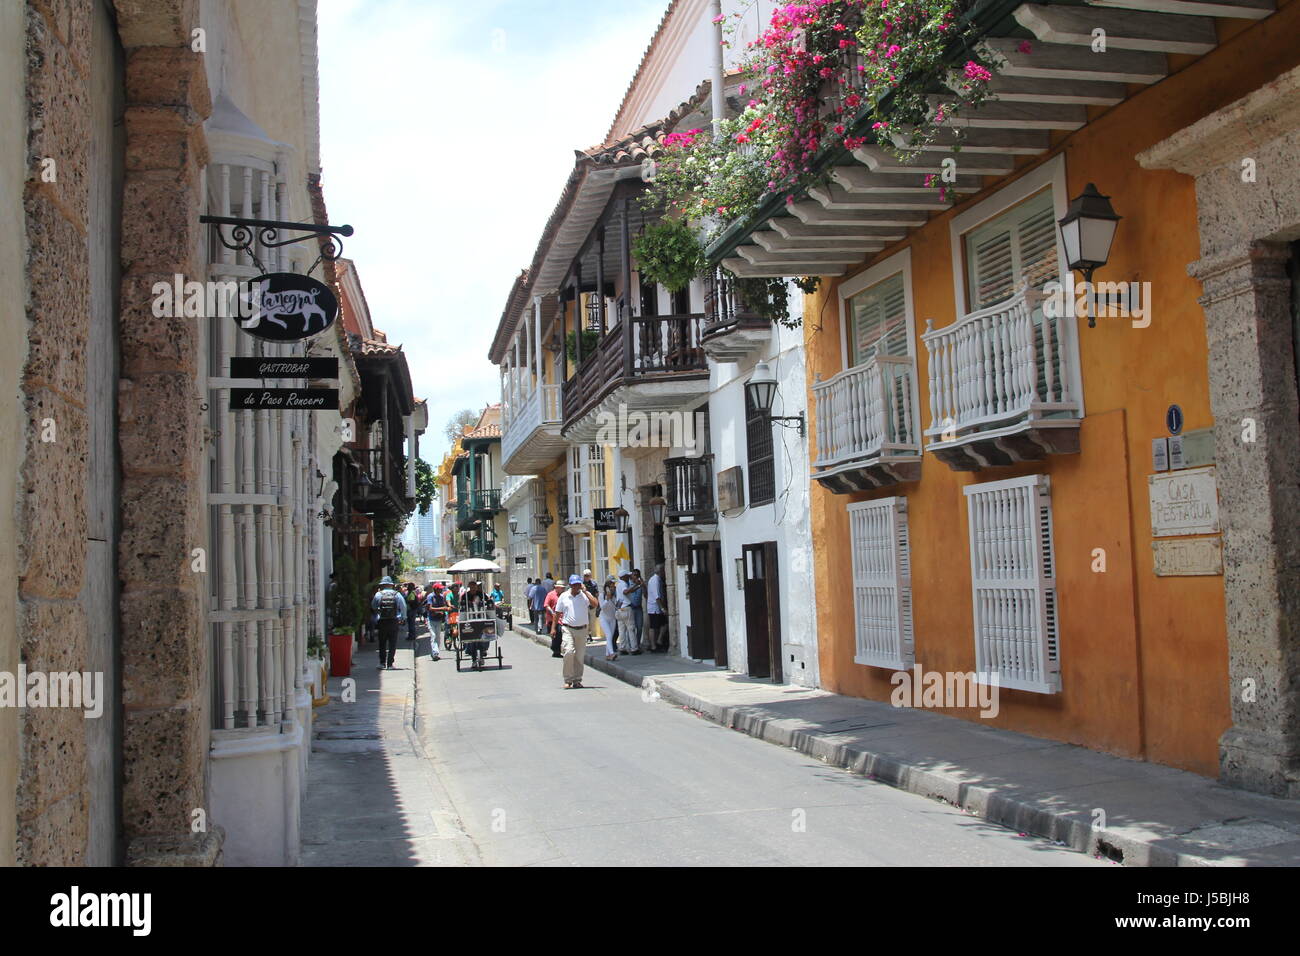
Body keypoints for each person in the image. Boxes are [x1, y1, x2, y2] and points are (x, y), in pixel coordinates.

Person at [556, 574, 598, 689]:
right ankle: (568, 679)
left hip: (582, 629)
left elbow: (595, 604)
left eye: (578, 584)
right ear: (570, 585)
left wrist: (586, 592)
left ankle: (577, 680)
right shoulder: (564, 596)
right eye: (574, 585)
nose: (576, 587)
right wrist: (553, 628)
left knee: (579, 656)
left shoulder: (584, 596)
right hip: (568, 628)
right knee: (568, 652)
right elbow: (558, 612)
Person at [370, 576, 407, 670]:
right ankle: (390, 664)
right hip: (394, 621)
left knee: (382, 643)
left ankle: (382, 663)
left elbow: (373, 606)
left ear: (382, 585)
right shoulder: (397, 594)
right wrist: (403, 618)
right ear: (391, 585)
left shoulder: (378, 594)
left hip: (382, 621)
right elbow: (403, 607)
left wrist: (378, 612)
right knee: (392, 644)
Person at [460, 580, 493, 668]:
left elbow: (488, 601)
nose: (473, 588)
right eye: (471, 587)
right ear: (469, 587)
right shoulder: (465, 596)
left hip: (481, 617)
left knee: (484, 637)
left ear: (476, 587)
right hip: (470, 619)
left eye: (474, 586)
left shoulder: (481, 594)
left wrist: (489, 602)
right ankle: (473, 659)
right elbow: (462, 606)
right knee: (472, 639)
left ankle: (482, 654)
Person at [615, 570, 641, 655]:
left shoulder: (618, 584)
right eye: (627, 576)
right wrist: (637, 585)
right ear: (623, 577)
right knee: (631, 629)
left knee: (622, 630)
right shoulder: (623, 584)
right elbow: (626, 592)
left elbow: (628, 592)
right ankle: (634, 648)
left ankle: (622, 648)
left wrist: (637, 586)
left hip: (619, 609)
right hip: (626, 608)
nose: (629, 577)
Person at [424, 582, 448, 661]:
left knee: (438, 636)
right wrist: (442, 609)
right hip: (431, 619)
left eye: (441, 589)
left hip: (439, 619)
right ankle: (435, 653)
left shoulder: (441, 597)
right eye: (439, 589)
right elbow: (430, 608)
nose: (440, 590)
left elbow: (444, 606)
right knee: (433, 636)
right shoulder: (430, 596)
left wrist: (445, 610)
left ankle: (435, 652)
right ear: (435, 589)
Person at [646, 564, 667, 652]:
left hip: (655, 607)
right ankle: (654, 646)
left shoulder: (657, 579)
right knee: (654, 627)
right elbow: (657, 596)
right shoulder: (655, 581)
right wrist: (663, 608)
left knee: (664, 624)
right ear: (661, 571)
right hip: (654, 607)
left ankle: (658, 641)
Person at [599, 577, 619, 662]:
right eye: (611, 586)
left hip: (612, 618)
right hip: (604, 618)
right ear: (607, 587)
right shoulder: (601, 595)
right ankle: (611, 653)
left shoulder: (615, 595)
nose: (613, 588)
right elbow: (602, 607)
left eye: (613, 586)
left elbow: (615, 606)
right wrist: (607, 599)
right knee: (609, 635)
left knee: (610, 636)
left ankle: (607, 655)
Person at [543, 579, 565, 657]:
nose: (563, 589)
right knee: (557, 634)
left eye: (563, 588)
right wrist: (552, 612)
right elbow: (546, 605)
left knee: (560, 635)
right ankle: (556, 650)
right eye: (561, 588)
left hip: (562, 618)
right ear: (557, 587)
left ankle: (556, 649)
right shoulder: (550, 594)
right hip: (552, 619)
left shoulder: (564, 595)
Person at [628, 569, 646, 654]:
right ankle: (632, 646)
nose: (635, 577)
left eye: (637, 575)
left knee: (639, 627)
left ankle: (637, 644)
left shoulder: (640, 584)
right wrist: (638, 585)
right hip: (631, 607)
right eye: (634, 575)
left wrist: (643, 586)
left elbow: (645, 595)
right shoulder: (628, 584)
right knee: (631, 628)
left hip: (638, 608)